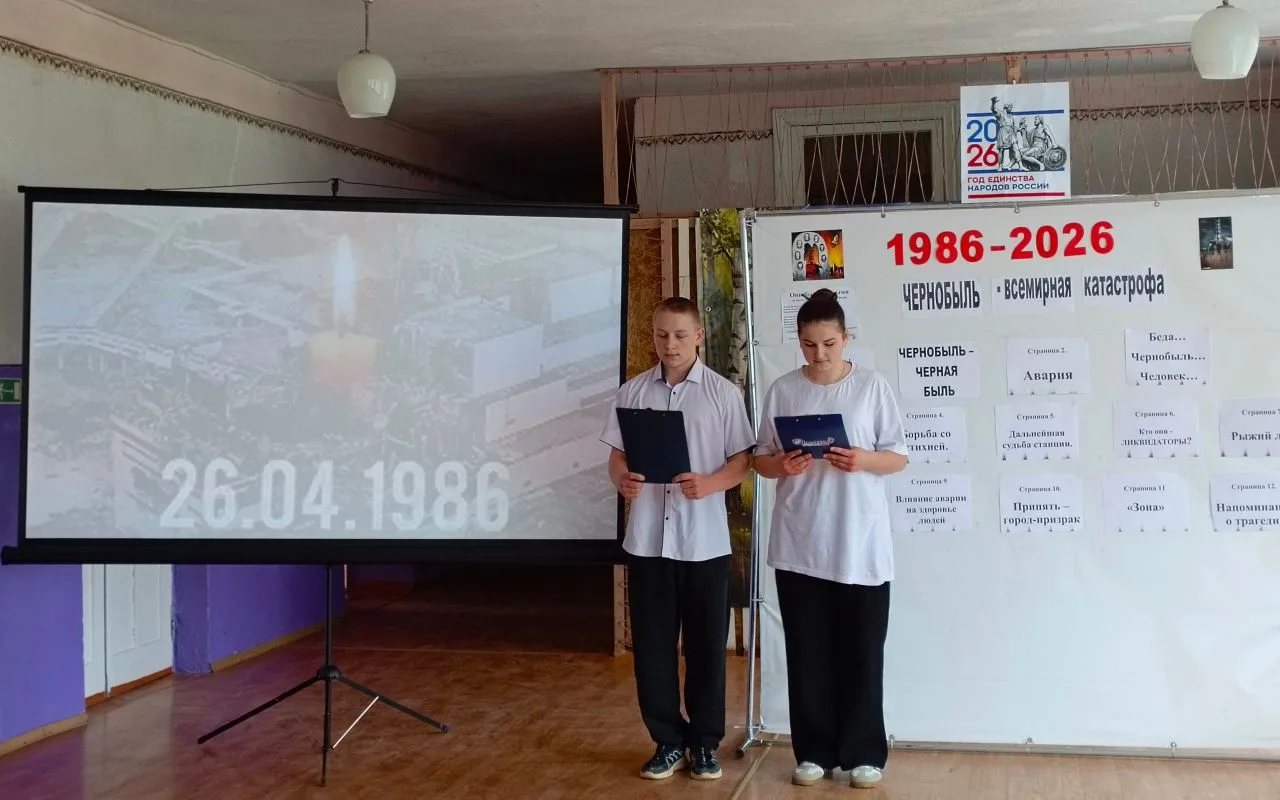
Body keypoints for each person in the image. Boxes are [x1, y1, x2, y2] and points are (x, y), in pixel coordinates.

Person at [752, 288, 909, 789]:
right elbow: (760, 459)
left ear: (845, 338)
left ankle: (864, 752)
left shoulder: (871, 387)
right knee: (807, 652)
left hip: (859, 542)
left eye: (828, 344)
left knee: (862, 651)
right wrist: (782, 465)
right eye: (808, 344)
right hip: (800, 542)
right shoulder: (783, 390)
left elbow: (898, 456)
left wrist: (862, 459)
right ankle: (814, 751)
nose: (818, 354)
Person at [599, 296, 755, 781]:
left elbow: (742, 461)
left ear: (699, 337)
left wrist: (709, 484)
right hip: (648, 541)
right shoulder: (631, 393)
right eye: (662, 335)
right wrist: (622, 480)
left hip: (704, 542)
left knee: (707, 649)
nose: (670, 344)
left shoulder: (723, 394)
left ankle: (704, 744)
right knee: (652, 649)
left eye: (681, 335)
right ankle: (667, 740)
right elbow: (617, 456)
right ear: (653, 336)